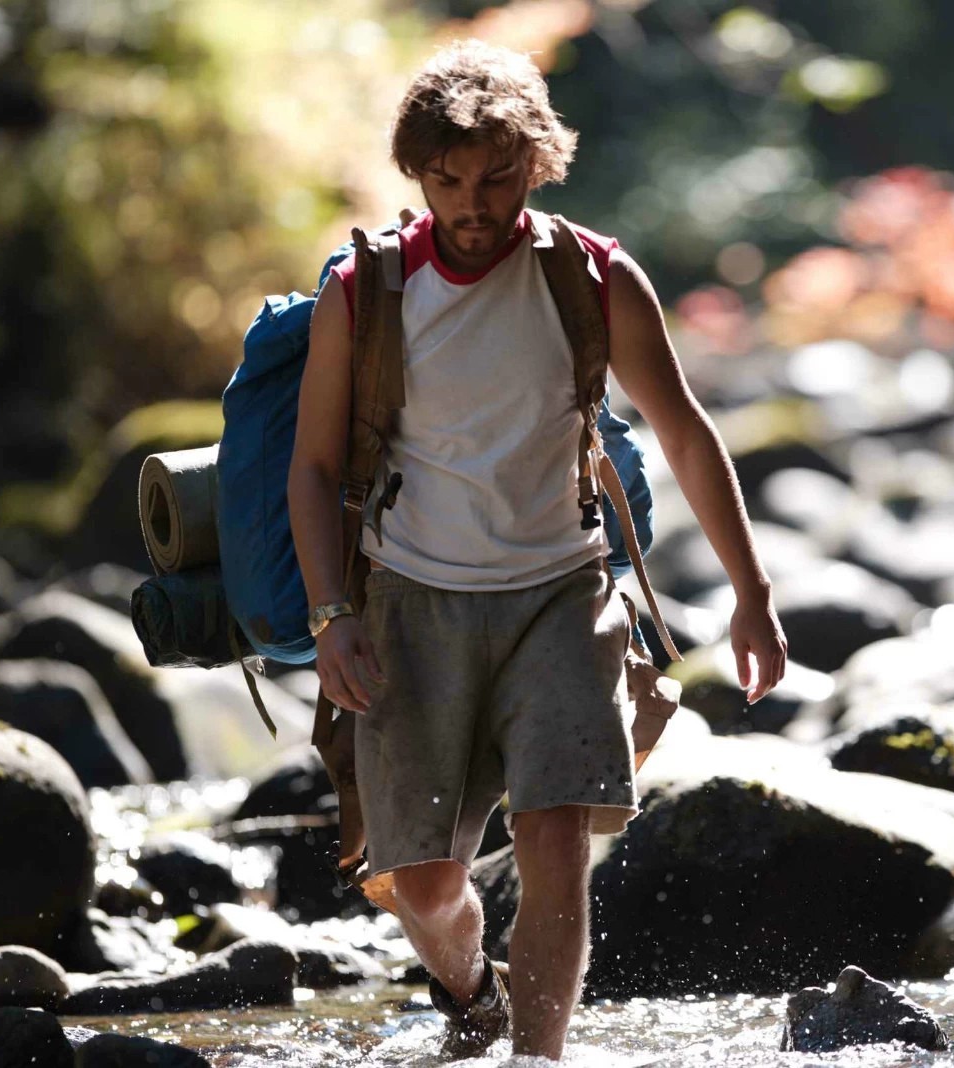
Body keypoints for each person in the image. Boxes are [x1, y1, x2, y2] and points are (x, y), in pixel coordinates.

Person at [286, 38, 788, 1062]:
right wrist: (331, 617)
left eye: (497, 178)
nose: (472, 203)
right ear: (417, 174)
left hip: (562, 592)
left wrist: (751, 593)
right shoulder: (365, 291)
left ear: (538, 163)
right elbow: (312, 467)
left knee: (557, 839)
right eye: (448, 180)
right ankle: (473, 987)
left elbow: (686, 433)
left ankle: (537, 1057)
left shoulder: (593, 278)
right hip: (410, 602)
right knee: (424, 886)